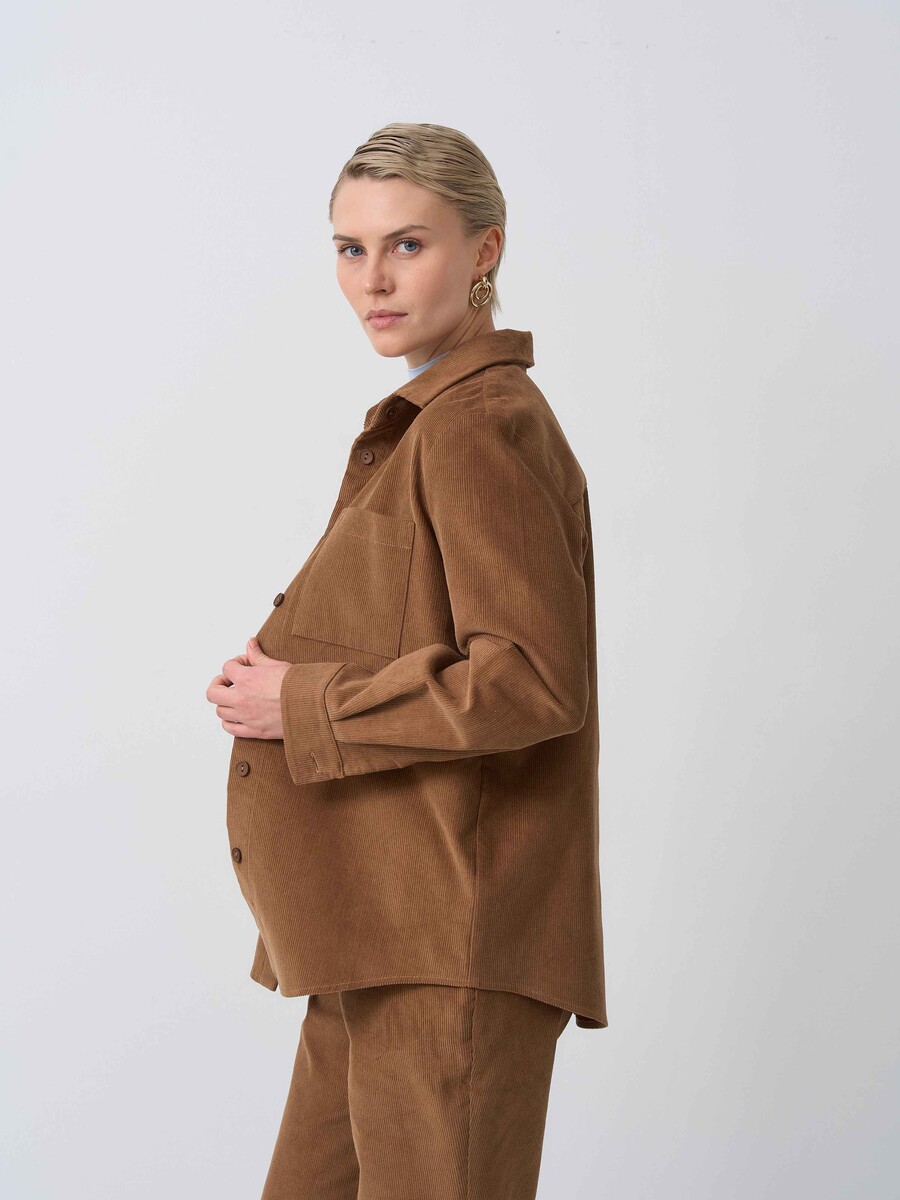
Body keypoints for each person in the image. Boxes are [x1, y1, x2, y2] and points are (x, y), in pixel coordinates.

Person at [206, 121, 608, 1200]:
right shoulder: (425, 424)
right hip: (374, 938)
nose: (372, 280)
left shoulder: (479, 424)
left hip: (450, 948)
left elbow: (530, 680)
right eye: (350, 248)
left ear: (485, 251)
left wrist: (305, 703)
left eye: (407, 245)